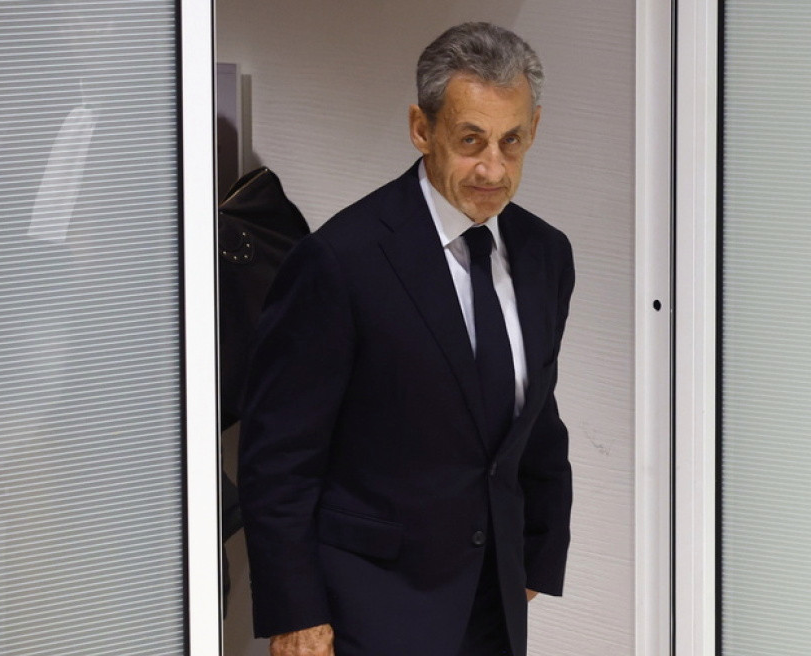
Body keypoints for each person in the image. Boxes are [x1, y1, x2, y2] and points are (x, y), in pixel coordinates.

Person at [238, 21, 575, 656]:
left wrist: (538, 551)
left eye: (511, 141)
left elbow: (536, 415)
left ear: (534, 130)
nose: (493, 168)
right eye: (470, 140)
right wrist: (295, 612)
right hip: (369, 607)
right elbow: (280, 456)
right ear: (422, 129)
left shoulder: (546, 255)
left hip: (493, 602)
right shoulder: (340, 261)